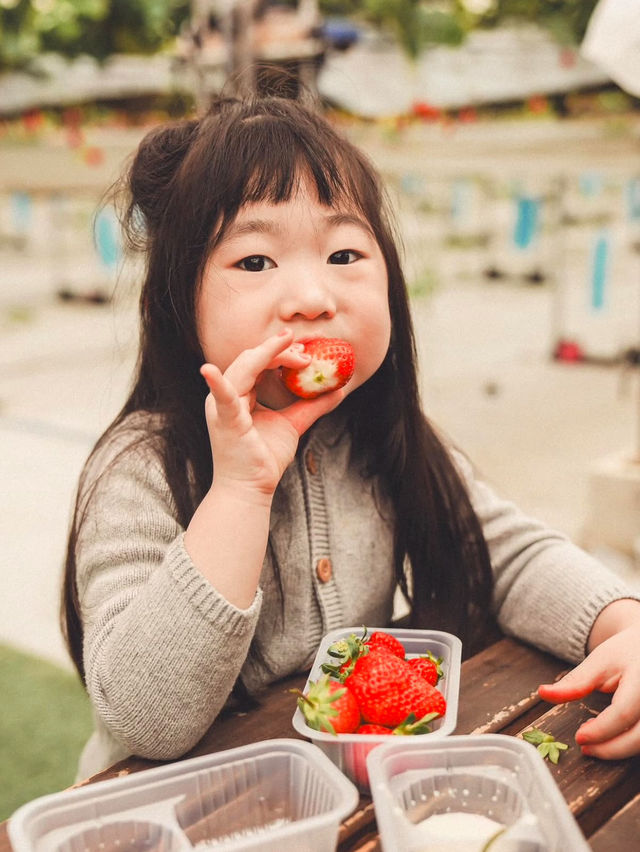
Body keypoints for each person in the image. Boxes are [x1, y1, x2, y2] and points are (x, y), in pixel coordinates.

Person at [61, 90, 640, 780]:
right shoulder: (143, 467)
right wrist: (242, 489)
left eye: (343, 254)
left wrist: (623, 622)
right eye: (255, 262)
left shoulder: (384, 435)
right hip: (176, 811)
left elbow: (506, 555)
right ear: (174, 307)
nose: (313, 296)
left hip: (345, 795)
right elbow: (145, 719)